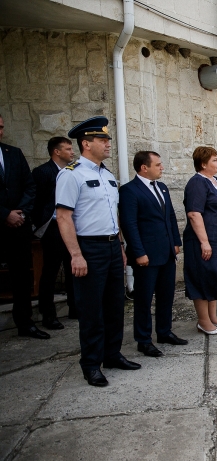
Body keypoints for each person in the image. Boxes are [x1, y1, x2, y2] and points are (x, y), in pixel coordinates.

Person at [56, 116, 140, 387]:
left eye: (107, 140)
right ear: (86, 143)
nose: (107, 144)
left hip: (112, 247)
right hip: (88, 247)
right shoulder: (71, 174)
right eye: (102, 140)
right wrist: (76, 255)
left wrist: (121, 246)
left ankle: (112, 354)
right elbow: (64, 217)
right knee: (91, 309)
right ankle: (91, 364)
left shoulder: (107, 175)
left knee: (115, 305)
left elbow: (112, 215)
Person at [119, 151, 186, 358]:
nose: (162, 168)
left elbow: (170, 217)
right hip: (146, 255)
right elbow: (129, 224)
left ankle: (164, 332)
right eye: (158, 165)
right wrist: (139, 252)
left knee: (166, 296)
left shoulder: (162, 188)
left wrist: (176, 242)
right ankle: (143, 340)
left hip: (166, 253)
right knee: (144, 299)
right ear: (144, 167)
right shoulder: (130, 191)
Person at [0, 114, 46, 339]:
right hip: (3, 219)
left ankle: (25, 323)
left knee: (21, 277)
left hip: (18, 226)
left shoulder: (14, 154)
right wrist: (4, 214)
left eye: (0, 127)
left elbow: (29, 186)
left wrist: (20, 213)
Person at [183, 146, 217, 335]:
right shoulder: (197, 183)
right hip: (206, 240)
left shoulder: (215, 181)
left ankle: (213, 316)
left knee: (215, 277)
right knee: (203, 279)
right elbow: (194, 214)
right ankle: (203, 321)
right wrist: (204, 242)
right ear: (203, 164)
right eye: (214, 160)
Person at [31, 137, 78, 331]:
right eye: (68, 149)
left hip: (72, 226)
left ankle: (75, 308)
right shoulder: (42, 172)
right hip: (52, 226)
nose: (72, 152)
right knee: (50, 270)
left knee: (73, 268)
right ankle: (48, 315)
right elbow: (37, 201)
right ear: (56, 152)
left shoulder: (73, 172)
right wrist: (40, 224)